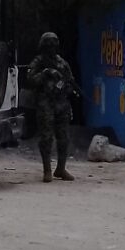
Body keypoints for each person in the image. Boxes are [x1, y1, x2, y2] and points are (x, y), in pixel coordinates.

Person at [27, 31, 79, 183]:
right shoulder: (38, 62)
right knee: (46, 138)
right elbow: (30, 80)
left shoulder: (62, 63)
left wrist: (62, 86)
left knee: (64, 138)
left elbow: (70, 82)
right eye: (48, 44)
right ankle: (47, 170)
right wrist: (45, 73)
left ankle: (61, 168)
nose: (51, 47)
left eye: (53, 44)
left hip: (61, 104)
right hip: (45, 104)